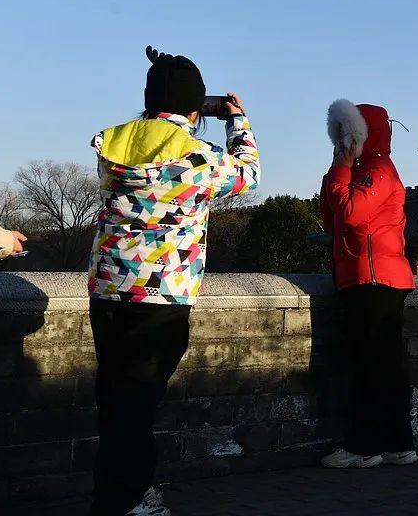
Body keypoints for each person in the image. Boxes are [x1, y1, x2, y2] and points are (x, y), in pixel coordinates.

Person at [87, 46, 259, 516]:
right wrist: (235, 120)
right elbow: (249, 176)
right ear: (195, 104)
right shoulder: (199, 157)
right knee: (139, 402)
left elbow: (151, 132)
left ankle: (118, 492)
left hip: (108, 288)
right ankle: (125, 500)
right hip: (162, 293)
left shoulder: (114, 146)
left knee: (114, 396)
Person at [319, 99, 417, 469]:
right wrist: (338, 168)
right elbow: (331, 217)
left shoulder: (378, 169)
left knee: (370, 368)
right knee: (385, 368)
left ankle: (365, 447)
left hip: (374, 278)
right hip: (368, 276)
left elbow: (352, 215)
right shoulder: (363, 169)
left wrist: (343, 171)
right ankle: (397, 444)